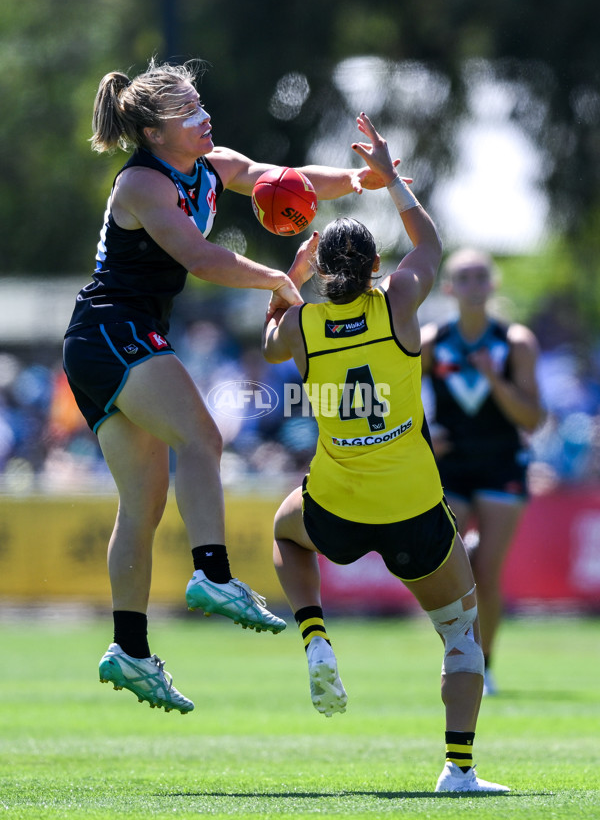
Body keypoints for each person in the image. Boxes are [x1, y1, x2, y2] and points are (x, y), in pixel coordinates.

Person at [63, 59, 394, 715]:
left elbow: (283, 181)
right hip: (108, 330)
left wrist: (363, 179)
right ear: (156, 130)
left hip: (118, 337)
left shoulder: (209, 166)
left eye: (200, 102)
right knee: (203, 434)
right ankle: (212, 574)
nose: (204, 114)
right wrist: (276, 280)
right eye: (189, 108)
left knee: (144, 502)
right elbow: (203, 259)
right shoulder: (140, 183)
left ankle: (129, 648)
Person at [262, 112, 509, 793]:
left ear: (322, 273)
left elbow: (269, 335)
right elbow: (429, 244)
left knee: (286, 530)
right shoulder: (398, 304)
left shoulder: (307, 325)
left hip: (338, 503)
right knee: (462, 636)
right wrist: (392, 175)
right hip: (414, 506)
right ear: (374, 267)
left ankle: (313, 634)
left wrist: (294, 270)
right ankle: (458, 770)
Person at [421, 248, 544, 695]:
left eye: (481, 277)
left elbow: (533, 418)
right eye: (463, 278)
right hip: (450, 467)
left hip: (501, 465)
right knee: (447, 569)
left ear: (492, 285)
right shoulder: (433, 340)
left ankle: (484, 665)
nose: (473, 285)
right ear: (450, 289)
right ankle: (458, 652)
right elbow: (399, 398)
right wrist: (425, 436)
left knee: (486, 571)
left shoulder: (515, 342)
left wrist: (495, 379)